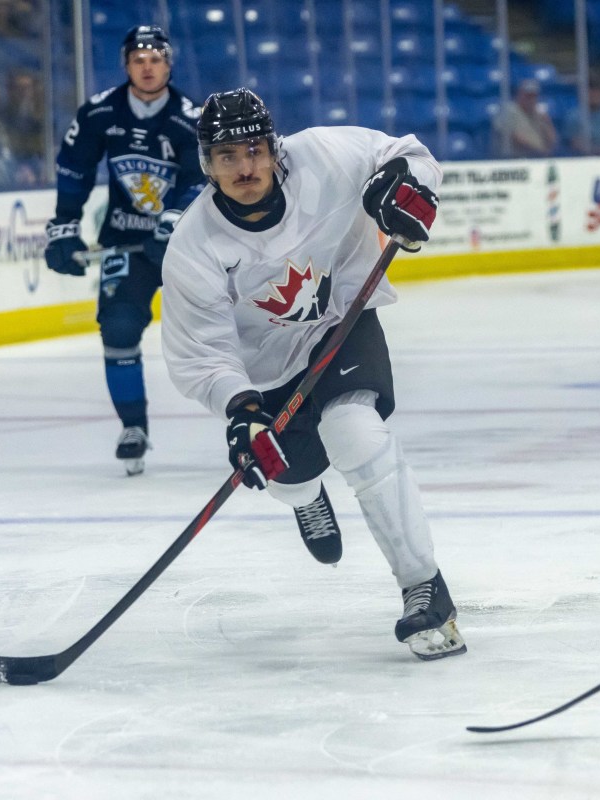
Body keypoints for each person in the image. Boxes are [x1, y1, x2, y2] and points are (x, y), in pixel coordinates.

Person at [159, 88, 466, 662]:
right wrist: (242, 412)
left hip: (341, 323)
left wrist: (405, 186)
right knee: (287, 477)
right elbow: (201, 352)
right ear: (207, 166)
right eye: (227, 157)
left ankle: (424, 588)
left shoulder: (322, 156)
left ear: (275, 149)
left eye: (253, 150)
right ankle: (305, 497)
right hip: (266, 370)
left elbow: (409, 153)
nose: (245, 167)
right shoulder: (194, 245)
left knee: (354, 429)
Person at [43, 25, 205, 475]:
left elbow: (203, 177)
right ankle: (133, 427)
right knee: (116, 328)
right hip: (127, 242)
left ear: (168, 64)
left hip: (188, 247)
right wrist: (64, 225)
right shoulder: (99, 113)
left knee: (229, 330)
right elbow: (73, 168)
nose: (147, 66)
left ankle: (255, 419)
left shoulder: (192, 117)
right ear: (126, 65)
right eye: (139, 59)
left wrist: (173, 220)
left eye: (155, 58)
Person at [492, 79, 558, 158]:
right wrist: (540, 151)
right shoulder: (508, 111)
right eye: (528, 96)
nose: (531, 100)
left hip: (537, 157)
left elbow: (553, 141)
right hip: (513, 159)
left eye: (534, 96)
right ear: (519, 95)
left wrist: (547, 123)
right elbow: (515, 139)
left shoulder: (538, 114)